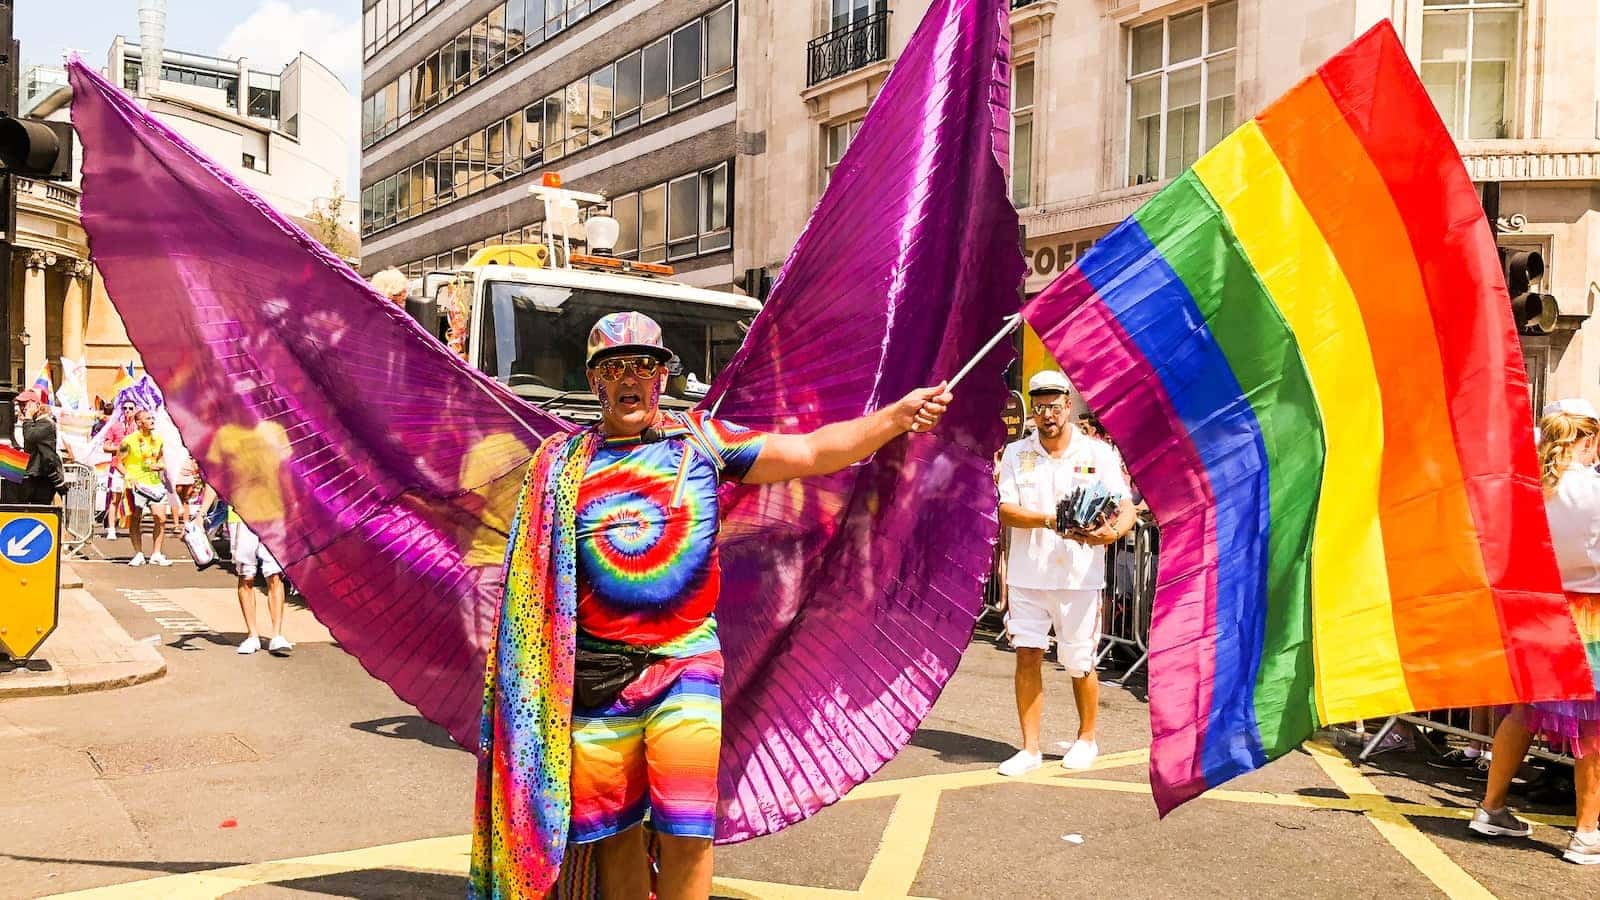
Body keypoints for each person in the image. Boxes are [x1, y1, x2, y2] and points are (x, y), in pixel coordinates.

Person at [471, 311, 953, 900]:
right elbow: (530, 575)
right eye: (613, 368)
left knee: (687, 832)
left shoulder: (702, 441)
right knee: (614, 837)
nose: (629, 379)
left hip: (685, 667)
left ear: (662, 379)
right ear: (595, 382)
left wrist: (894, 418)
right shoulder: (562, 464)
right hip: (594, 681)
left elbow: (809, 452)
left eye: (643, 366)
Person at [1471, 398, 1600, 865]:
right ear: (1589, 439)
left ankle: (1491, 807)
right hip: (1587, 612)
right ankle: (1585, 833)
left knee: (1524, 710)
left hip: (1537, 605)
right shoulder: (1593, 490)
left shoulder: (1528, 488)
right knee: (1591, 726)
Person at [994, 371, 1135, 776]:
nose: (1047, 415)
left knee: (1080, 662)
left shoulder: (1097, 454)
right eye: (1039, 408)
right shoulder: (1018, 454)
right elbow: (1005, 510)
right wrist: (1050, 520)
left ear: (1068, 406)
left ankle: (1087, 738)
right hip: (1028, 575)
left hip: (1079, 578)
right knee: (1027, 656)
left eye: (1054, 406)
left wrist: (1113, 533)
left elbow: (1124, 506)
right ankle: (1030, 748)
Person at [230, 507, 291, 656]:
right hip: (241, 515)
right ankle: (252, 636)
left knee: (274, 575)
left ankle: (277, 635)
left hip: (273, 512)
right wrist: (201, 514)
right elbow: (215, 483)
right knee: (246, 576)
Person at [118, 409, 174, 566]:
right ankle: (138, 553)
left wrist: (160, 466)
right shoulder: (128, 441)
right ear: (139, 423)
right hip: (136, 484)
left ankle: (156, 553)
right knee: (136, 518)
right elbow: (118, 463)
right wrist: (129, 477)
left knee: (161, 518)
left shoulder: (158, 440)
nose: (152, 420)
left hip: (155, 484)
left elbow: (162, 459)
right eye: (148, 418)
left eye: (152, 418)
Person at [15, 390, 64, 505]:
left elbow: (30, 437)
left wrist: (27, 417)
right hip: (32, 476)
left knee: (40, 511)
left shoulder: (46, 423)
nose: (23, 408)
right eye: (21, 405)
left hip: (43, 478)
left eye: (25, 404)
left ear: (37, 405)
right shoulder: (34, 423)